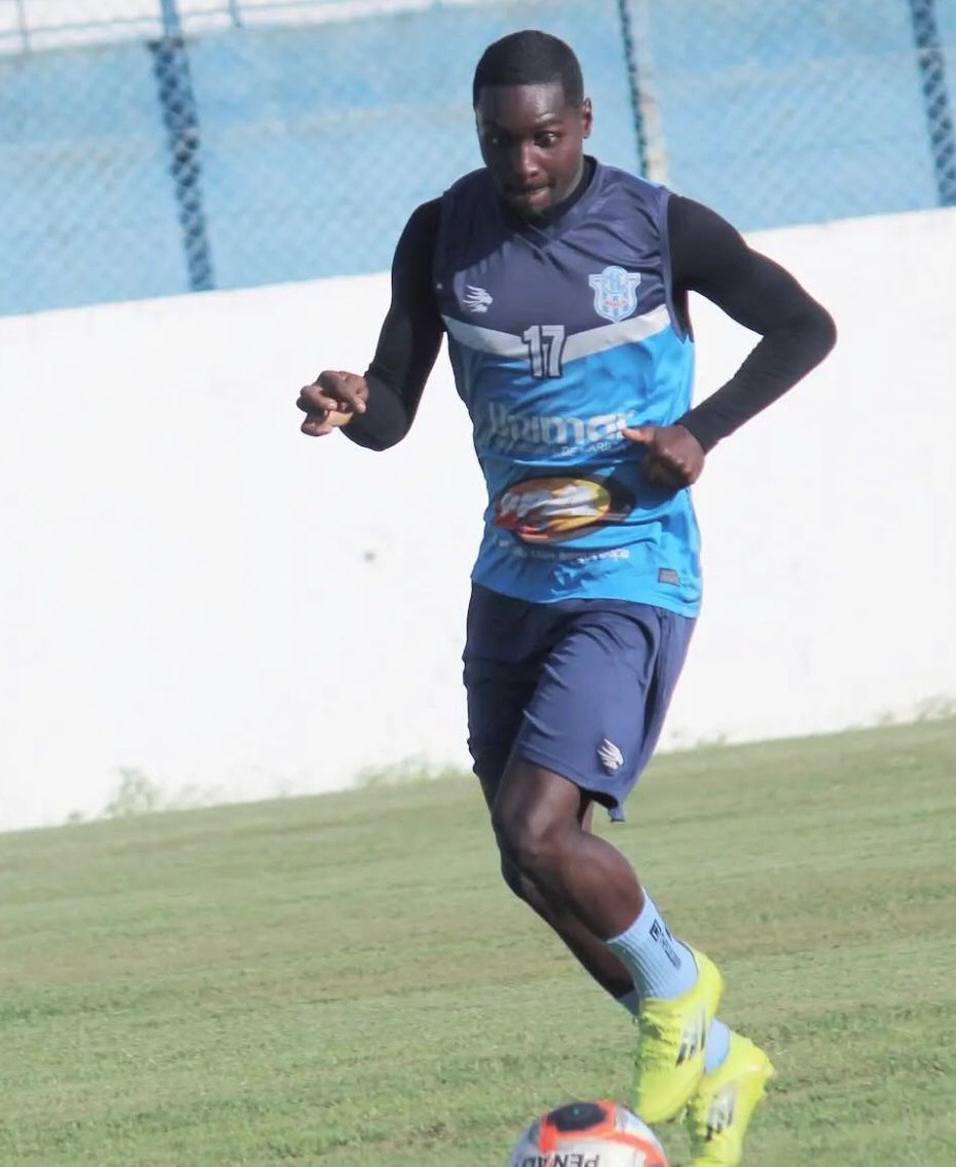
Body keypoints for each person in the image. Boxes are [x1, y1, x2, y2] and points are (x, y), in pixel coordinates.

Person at [295, 29, 835, 1167]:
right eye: (501, 141)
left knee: (540, 829)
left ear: (583, 124)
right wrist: (355, 400)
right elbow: (397, 407)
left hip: (630, 570)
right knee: (525, 859)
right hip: (510, 581)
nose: (523, 163)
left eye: (544, 137)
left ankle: (680, 991)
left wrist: (700, 431)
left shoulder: (656, 227)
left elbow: (803, 327)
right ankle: (718, 1049)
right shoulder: (441, 233)